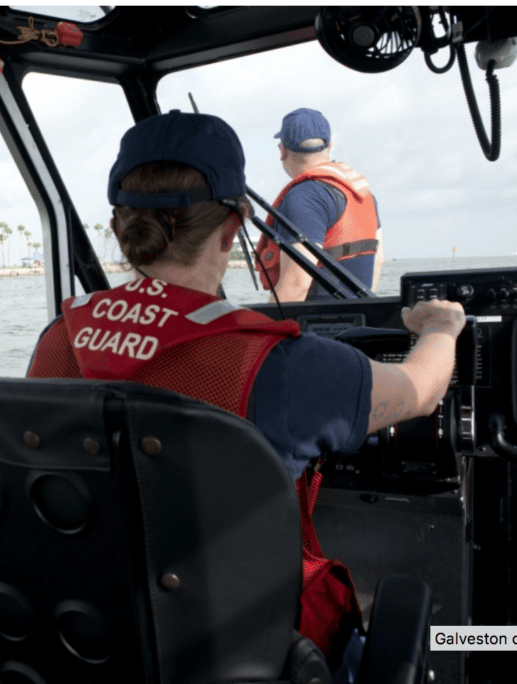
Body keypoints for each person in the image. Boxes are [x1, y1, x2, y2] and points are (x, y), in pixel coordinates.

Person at [26, 110, 466, 679]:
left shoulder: (57, 341)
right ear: (234, 228)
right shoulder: (280, 364)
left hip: (96, 643)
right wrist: (442, 328)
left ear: (119, 227)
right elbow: (422, 390)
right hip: (245, 654)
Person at [256, 108, 385, 302]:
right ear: (330, 145)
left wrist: (263, 330)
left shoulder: (304, 197)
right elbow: (378, 262)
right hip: (359, 320)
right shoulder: (364, 194)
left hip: (317, 326)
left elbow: (296, 285)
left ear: (282, 151)